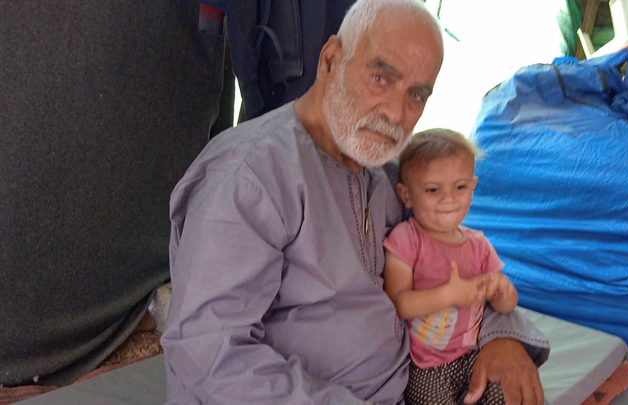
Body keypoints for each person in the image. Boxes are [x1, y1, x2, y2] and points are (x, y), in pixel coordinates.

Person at [162, 0, 549, 404]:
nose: (396, 113)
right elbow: (208, 352)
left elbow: (459, 255)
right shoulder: (249, 178)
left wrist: (500, 337)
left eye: (417, 94)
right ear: (330, 60)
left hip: (414, 383)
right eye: (381, 77)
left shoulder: (391, 174)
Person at [383, 129, 519, 405]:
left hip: (474, 356)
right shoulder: (407, 239)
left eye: (460, 187)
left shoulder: (479, 244)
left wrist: (503, 291)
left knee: (505, 394)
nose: (449, 199)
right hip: (424, 366)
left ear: (473, 186)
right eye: (433, 190)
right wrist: (449, 295)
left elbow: (506, 305)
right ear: (406, 195)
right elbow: (399, 303)